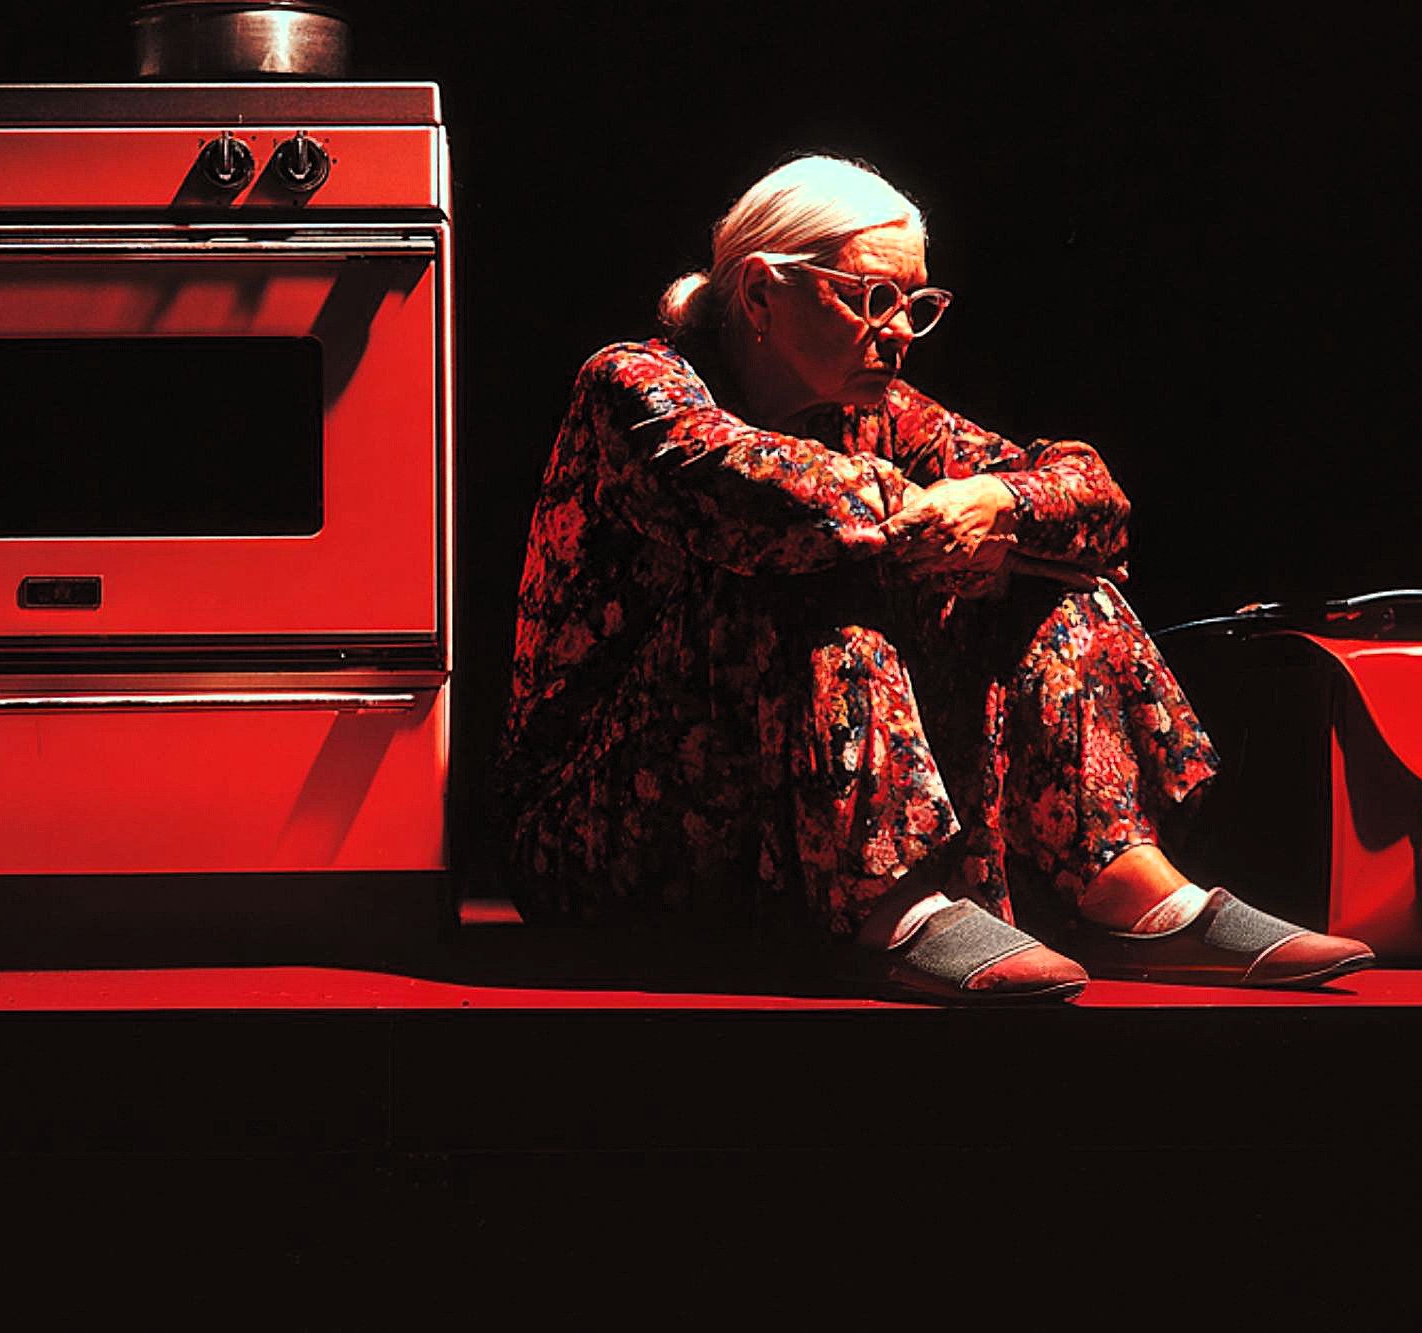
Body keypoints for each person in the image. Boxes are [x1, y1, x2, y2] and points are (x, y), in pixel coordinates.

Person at [495, 153, 1374, 1003]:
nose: (901, 331)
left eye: (916, 303)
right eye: (870, 298)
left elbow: (1091, 500)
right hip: (603, 826)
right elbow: (770, 496)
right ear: (762, 292)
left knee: (1050, 573)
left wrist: (997, 504)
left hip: (771, 826)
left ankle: (1133, 895)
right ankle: (891, 909)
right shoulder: (636, 386)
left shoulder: (877, 412)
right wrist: (948, 519)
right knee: (826, 561)